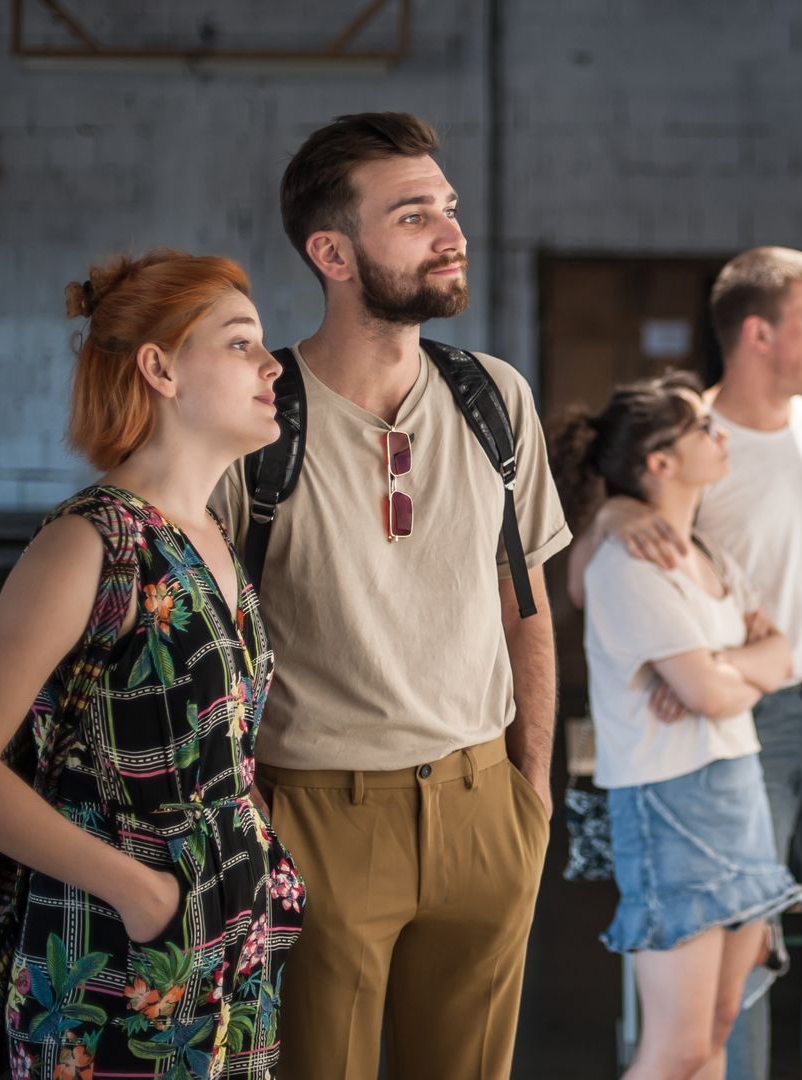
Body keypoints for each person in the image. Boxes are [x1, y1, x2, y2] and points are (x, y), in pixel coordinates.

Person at [207, 112, 570, 1080]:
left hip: (485, 805)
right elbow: (204, 642)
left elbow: (523, 602)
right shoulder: (257, 421)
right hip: (316, 817)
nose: (453, 232)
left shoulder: (497, 397)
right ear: (332, 251)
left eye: (447, 208)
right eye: (414, 216)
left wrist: (531, 793)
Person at [0, 249, 300, 1078]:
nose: (271, 365)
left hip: (228, 942)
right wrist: (140, 894)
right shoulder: (92, 541)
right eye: (238, 343)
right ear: (160, 367)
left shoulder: (212, 535)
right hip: (114, 958)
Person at [569, 247, 802, 1080]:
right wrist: (609, 519)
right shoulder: (691, 437)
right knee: (737, 972)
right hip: (753, 721)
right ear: (759, 332)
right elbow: (594, 569)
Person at [553, 371, 802, 1080]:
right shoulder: (627, 563)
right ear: (659, 463)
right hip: (669, 804)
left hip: (735, 792)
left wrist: (728, 666)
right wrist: (729, 674)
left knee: (718, 1030)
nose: (720, 434)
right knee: (678, 1048)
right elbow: (711, 694)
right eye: (702, 427)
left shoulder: (710, 555)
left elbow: (780, 653)